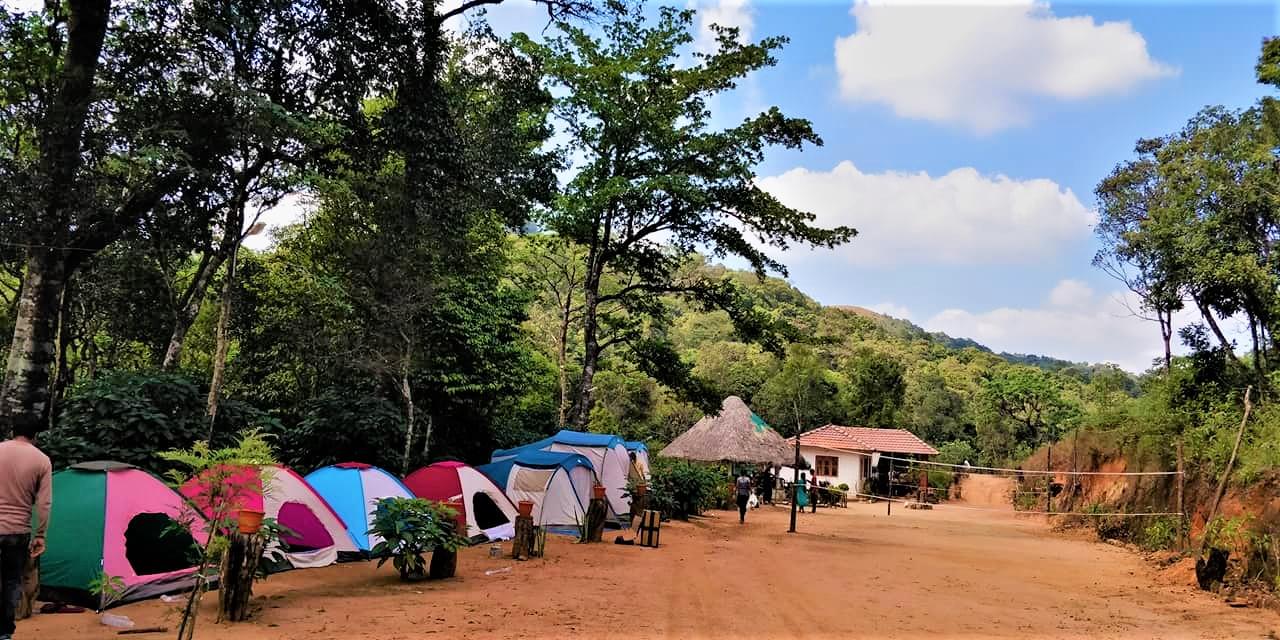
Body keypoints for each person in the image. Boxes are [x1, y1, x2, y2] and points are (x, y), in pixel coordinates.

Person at [0, 423, 52, 640]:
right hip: (17, 531)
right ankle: (4, 633)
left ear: (13, 432)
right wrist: (40, 534)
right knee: (11, 581)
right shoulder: (41, 460)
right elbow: (44, 503)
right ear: (35, 435)